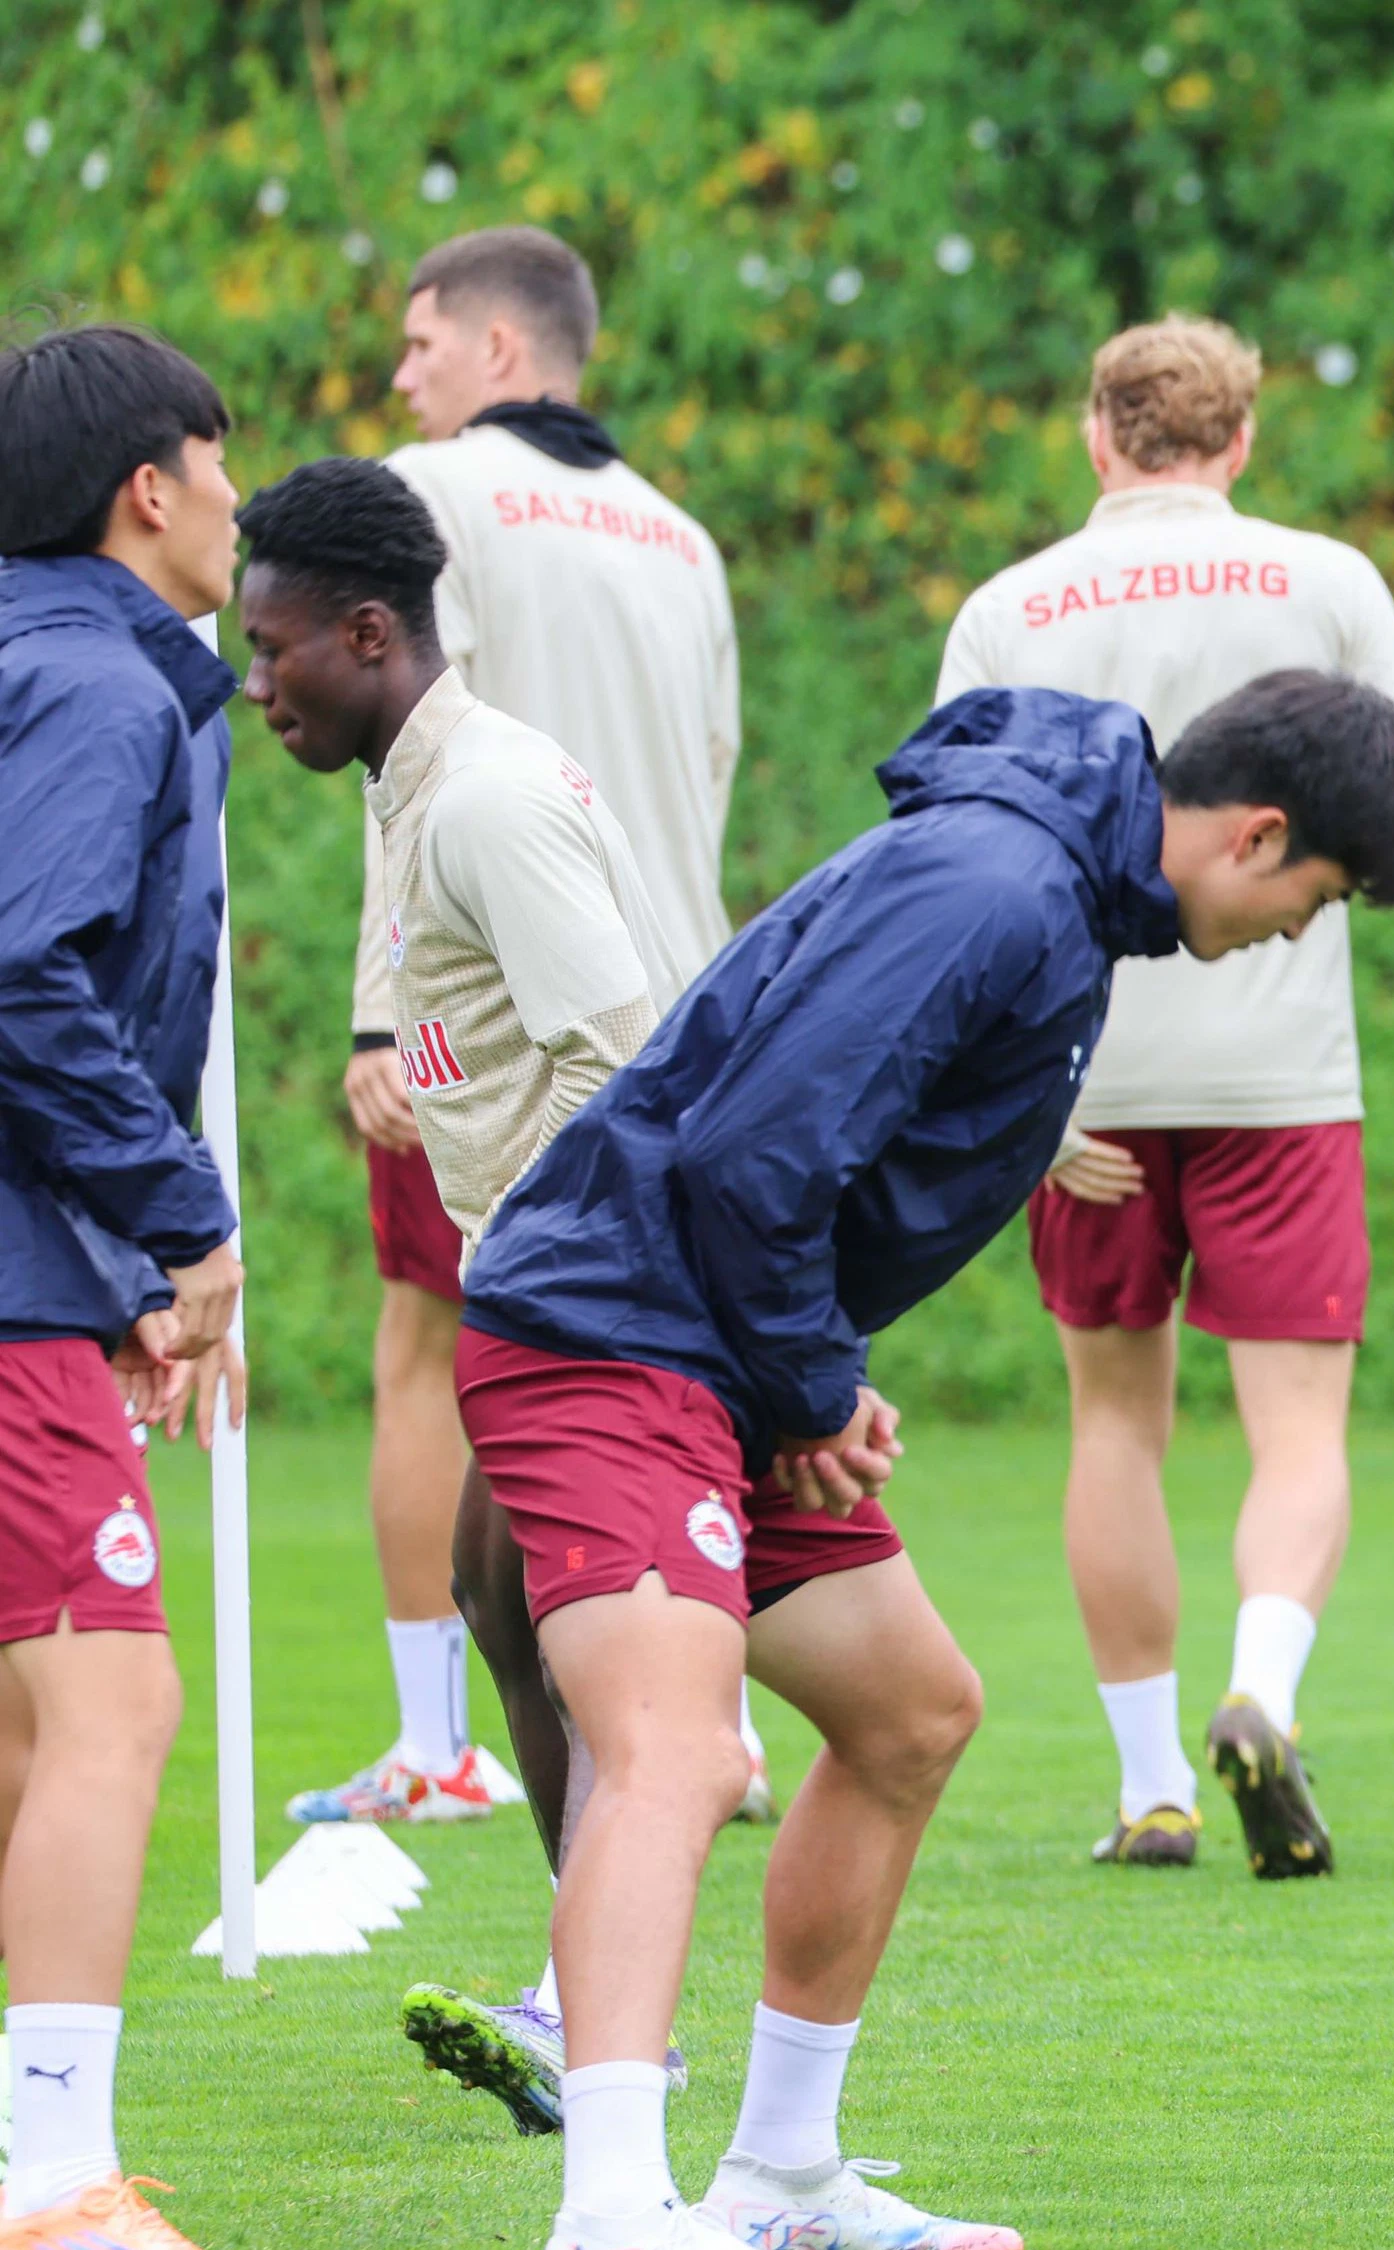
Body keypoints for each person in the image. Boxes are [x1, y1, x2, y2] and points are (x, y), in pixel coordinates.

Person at [456, 668, 1394, 2250]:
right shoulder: (1000, 884)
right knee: (680, 1749)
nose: (1292, 935)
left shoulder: (1060, 888)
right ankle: (616, 2210)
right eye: (1313, 902)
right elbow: (750, 1148)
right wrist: (818, 1378)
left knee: (911, 1710)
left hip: (715, 1354)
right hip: (611, 1334)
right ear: (1258, 835)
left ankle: (779, 2178)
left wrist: (811, 1380)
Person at [933, 318, 1394, 1881]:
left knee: (1113, 1420)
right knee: (1297, 1429)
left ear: (1096, 438)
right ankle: (1261, 1686)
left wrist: (1007, 1101)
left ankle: (1150, 1789)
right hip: (1279, 1073)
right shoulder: (1324, 580)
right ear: (1243, 441)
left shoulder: (1011, 604)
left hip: (1087, 1070)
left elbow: (956, 852)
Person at [227, 455, 703, 2131]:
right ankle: (588, 1991)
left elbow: (623, 1053)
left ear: (370, 631)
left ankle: (614, 2020)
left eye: (276, 649)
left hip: (589, 1294)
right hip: (547, 1281)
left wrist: (549, 1261)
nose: (255, 682)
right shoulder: (410, 783)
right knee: (495, 1591)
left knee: (632, 1650)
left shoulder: (489, 796)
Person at [300, 223, 757, 1832]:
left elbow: (405, 762)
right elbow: (708, 768)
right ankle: (713, 1714)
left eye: (422, 342)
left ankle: (441, 1741)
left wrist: (388, 1027)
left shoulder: (430, 494)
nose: (400, 374)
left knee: (431, 1355)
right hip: (682, 1014)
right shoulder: (682, 537)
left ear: (501, 351)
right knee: (678, 1365)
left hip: (498, 1013)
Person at [0, 322, 250, 2250]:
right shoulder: (93, 686)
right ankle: (52, 2177)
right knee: (114, 1701)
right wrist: (180, 1219)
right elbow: (25, 976)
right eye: (224, 469)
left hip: (37, 1275)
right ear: (148, 488)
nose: (243, 510)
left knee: (32, 1715)